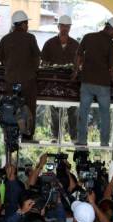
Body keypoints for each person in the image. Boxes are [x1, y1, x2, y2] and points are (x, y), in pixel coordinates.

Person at [0, 10, 40, 142]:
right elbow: (37, 59)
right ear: (23, 24)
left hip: (10, 82)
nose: (28, 26)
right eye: (27, 23)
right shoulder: (31, 38)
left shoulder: (5, 39)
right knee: (29, 106)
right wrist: (33, 71)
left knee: (11, 107)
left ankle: (10, 135)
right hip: (28, 82)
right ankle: (27, 135)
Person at [73, 17, 113, 146]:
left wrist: (76, 71)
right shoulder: (112, 45)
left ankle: (82, 140)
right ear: (111, 30)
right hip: (103, 85)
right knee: (105, 114)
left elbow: (78, 56)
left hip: (87, 82)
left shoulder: (88, 37)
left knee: (83, 112)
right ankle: (105, 142)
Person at [41, 15, 79, 143]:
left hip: (71, 81)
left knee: (73, 109)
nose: (65, 29)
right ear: (58, 27)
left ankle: (74, 136)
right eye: (63, 26)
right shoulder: (49, 43)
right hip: (54, 81)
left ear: (70, 28)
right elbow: (43, 62)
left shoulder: (76, 45)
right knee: (54, 109)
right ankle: (54, 135)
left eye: (67, 26)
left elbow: (81, 62)